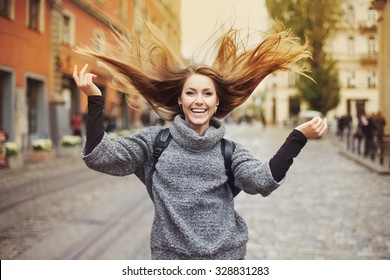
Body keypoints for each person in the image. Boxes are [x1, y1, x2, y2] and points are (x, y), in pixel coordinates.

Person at [72, 20, 327, 260]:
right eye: (191, 93)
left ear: (216, 102)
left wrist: (298, 137)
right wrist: (95, 99)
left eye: (207, 94)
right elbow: (100, 156)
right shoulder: (155, 143)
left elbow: (262, 180)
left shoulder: (230, 151)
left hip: (226, 260)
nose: (198, 100)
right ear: (180, 100)